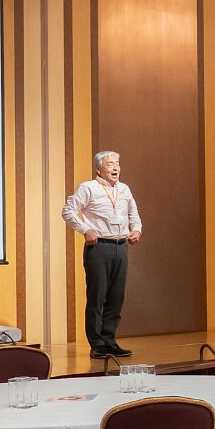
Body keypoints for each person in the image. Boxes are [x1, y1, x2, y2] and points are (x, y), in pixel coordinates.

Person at [62, 150, 141, 360]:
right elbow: (68, 211)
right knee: (97, 297)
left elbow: (133, 213)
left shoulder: (124, 189)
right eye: (110, 164)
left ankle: (109, 340)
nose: (116, 168)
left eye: (117, 163)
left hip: (121, 246)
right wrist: (85, 229)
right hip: (99, 248)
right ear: (99, 169)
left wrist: (136, 230)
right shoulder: (88, 188)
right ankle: (97, 344)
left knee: (116, 297)